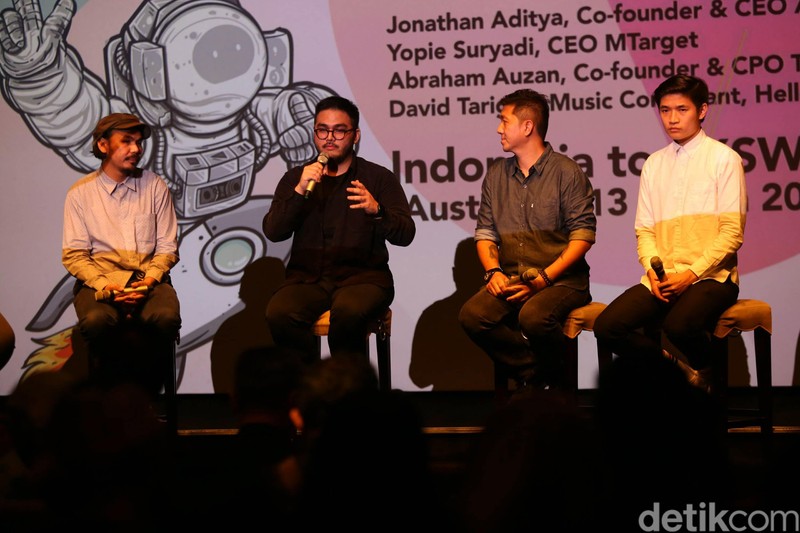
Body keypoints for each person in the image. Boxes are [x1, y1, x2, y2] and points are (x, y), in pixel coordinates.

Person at [594, 75, 747, 392]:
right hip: (664, 278)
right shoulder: (654, 164)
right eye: (665, 110)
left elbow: (732, 234)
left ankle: (708, 376)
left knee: (679, 325)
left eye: (681, 109)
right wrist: (653, 272)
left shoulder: (724, 159)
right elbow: (644, 229)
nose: (672, 119)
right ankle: (681, 375)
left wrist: (690, 275)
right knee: (608, 327)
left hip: (711, 277)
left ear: (702, 110)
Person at [458, 88, 596, 392]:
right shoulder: (496, 175)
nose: (499, 129)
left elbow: (583, 236)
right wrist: (494, 271)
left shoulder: (566, 172)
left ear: (527, 126)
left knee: (533, 317)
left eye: (504, 121)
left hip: (562, 281)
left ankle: (551, 386)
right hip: (512, 277)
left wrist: (545, 278)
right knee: (473, 315)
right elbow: (485, 233)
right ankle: (538, 375)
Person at [263, 96, 415, 364]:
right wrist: (299, 191)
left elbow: (406, 234)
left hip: (364, 279)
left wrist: (378, 210)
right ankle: (309, 384)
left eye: (339, 131)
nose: (329, 138)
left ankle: (348, 387)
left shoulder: (378, 178)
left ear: (355, 135)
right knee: (280, 312)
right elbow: (274, 232)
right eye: (322, 130)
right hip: (309, 280)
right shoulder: (297, 178)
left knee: (348, 313)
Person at [62, 113, 181, 397]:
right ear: (103, 146)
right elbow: (75, 255)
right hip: (99, 282)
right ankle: (106, 400)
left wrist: (148, 282)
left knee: (165, 317)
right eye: (126, 141)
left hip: (148, 280)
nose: (136, 149)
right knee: (97, 321)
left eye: (138, 142)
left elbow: (167, 246)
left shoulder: (154, 185)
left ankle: (148, 399)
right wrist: (107, 286)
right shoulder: (80, 194)